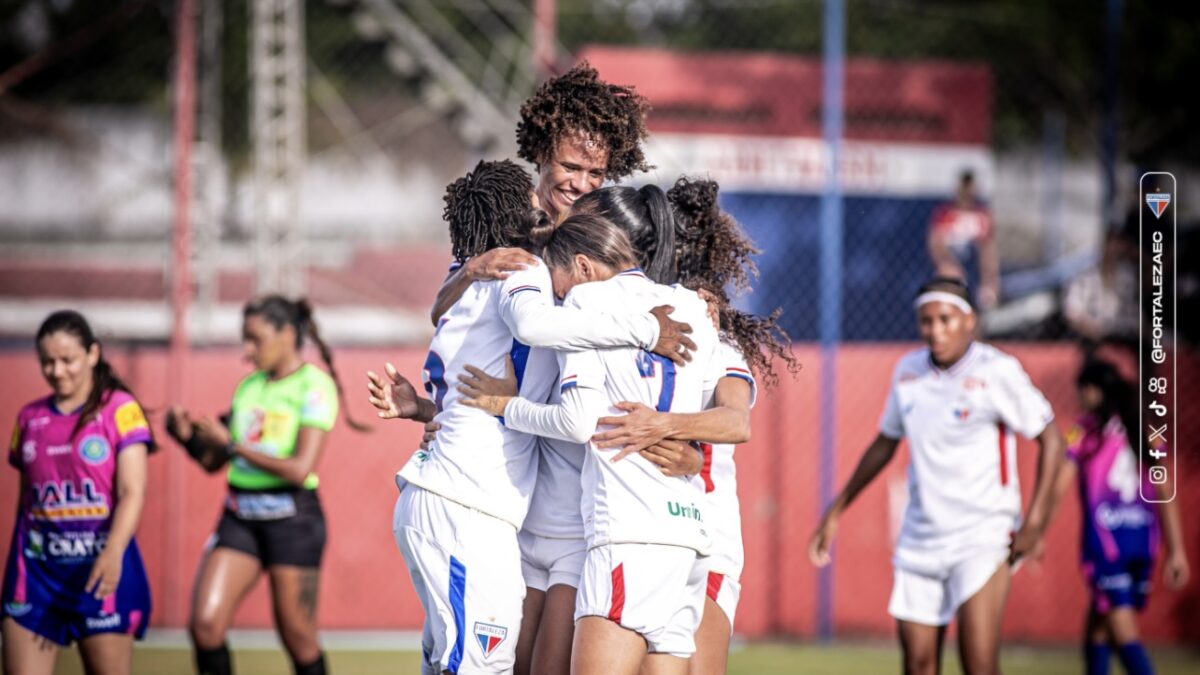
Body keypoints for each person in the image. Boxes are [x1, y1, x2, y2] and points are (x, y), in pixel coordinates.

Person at [381, 160, 694, 675]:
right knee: (481, 667)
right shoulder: (520, 266)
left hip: (461, 500)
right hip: (466, 504)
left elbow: (444, 323)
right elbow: (536, 326)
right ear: (511, 216)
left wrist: (424, 408)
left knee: (460, 663)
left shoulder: (472, 278)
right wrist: (644, 330)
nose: (544, 203)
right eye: (531, 195)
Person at [460, 214, 722, 675]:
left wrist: (505, 406)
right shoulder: (693, 307)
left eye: (556, 282)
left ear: (581, 266)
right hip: (689, 532)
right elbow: (712, 415)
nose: (555, 295)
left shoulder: (586, 300)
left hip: (627, 530)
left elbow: (579, 421)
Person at [809, 276, 1065, 675]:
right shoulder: (908, 373)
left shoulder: (997, 370)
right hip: (921, 537)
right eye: (927, 321)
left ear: (969, 321)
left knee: (978, 663)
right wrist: (837, 508)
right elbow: (885, 442)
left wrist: (1034, 524)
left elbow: (1052, 441)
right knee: (918, 664)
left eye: (945, 319)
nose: (935, 330)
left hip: (983, 534)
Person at [165, 296, 363, 675]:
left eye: (255, 339)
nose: (247, 350)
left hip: (293, 520)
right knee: (205, 625)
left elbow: (299, 468)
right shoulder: (249, 387)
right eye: (244, 339)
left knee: (298, 637)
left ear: (287, 334)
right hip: (240, 516)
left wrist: (232, 444)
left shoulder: (314, 386)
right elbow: (216, 462)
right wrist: (188, 438)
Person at [429, 61, 652, 325]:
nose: (581, 184)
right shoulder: (504, 215)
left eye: (595, 173)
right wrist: (472, 270)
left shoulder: (607, 230)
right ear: (542, 154)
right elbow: (439, 313)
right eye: (570, 167)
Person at [3, 310, 153, 675]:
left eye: (67, 360)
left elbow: (132, 491)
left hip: (101, 573)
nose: (57, 371)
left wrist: (113, 552)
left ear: (92, 354)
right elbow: (26, 503)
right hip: (36, 578)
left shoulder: (120, 410)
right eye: (47, 362)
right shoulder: (28, 418)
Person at [1052, 359, 1188, 675]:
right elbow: (1166, 491)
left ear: (1092, 391)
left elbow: (1059, 483)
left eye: (1082, 392)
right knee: (1098, 624)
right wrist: (1176, 550)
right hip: (1142, 542)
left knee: (1122, 628)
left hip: (1107, 544)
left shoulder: (1084, 429)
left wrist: (1036, 528)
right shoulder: (1147, 428)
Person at [928, 170, 1000, 310]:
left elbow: (988, 251)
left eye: (970, 187)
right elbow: (936, 245)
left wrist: (990, 281)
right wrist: (949, 265)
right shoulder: (945, 215)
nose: (967, 192)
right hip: (953, 269)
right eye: (964, 187)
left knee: (987, 296)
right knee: (948, 278)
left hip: (974, 271)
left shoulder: (982, 217)